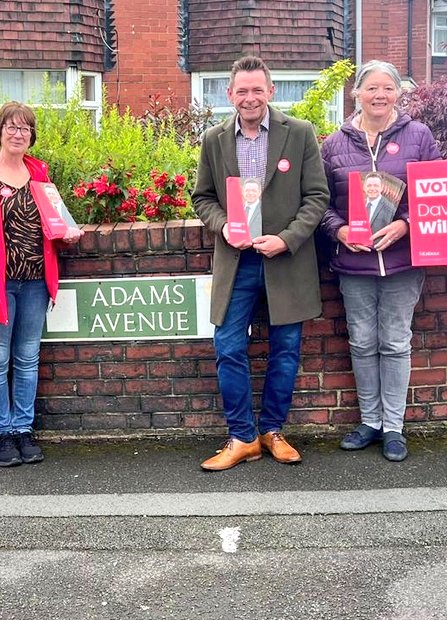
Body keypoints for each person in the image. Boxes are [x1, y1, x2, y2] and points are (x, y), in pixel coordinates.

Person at [192, 56, 329, 471]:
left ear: (271, 91)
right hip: (237, 261)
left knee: (285, 350)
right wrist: (224, 226)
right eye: (241, 91)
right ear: (229, 94)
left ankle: (272, 431)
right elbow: (203, 198)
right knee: (228, 346)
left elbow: (317, 196)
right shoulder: (214, 139)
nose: (249, 98)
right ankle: (243, 437)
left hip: (285, 260)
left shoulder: (299, 133)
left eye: (257, 90)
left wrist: (286, 239)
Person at [319, 60, 442, 462]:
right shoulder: (333, 144)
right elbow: (319, 202)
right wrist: (339, 230)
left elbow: (436, 192)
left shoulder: (419, 136)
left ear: (398, 93)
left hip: (402, 262)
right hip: (354, 264)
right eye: (371, 88)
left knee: (394, 342)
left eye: (387, 88)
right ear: (356, 93)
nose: (379, 95)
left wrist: (405, 224)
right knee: (361, 342)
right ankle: (370, 422)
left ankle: (393, 427)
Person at [0, 101, 83, 468]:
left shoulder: (40, 173)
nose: (18, 133)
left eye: (25, 128)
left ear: (32, 135)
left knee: (27, 359)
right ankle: (2, 434)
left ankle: (23, 429)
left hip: (36, 282)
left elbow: (54, 225)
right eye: (11, 126)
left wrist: (67, 235)